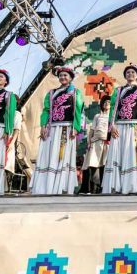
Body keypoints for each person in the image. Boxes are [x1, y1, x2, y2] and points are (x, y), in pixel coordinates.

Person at [30, 67, 84, 195]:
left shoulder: (75, 92)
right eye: (61, 75)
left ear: (70, 78)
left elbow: (79, 111)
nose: (63, 77)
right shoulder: (51, 93)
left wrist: (76, 128)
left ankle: (61, 187)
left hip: (66, 127)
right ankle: (46, 186)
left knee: (62, 156)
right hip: (52, 128)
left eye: (65, 75)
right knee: (49, 155)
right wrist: (43, 126)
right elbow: (46, 110)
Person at [102, 64, 137, 194]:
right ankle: (117, 186)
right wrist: (112, 125)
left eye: (133, 72)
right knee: (118, 154)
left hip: (134, 126)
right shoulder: (118, 90)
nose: (130, 74)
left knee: (132, 155)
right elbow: (113, 108)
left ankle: (133, 186)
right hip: (120, 126)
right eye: (128, 72)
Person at [80, 95, 110, 194]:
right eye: (105, 102)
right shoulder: (97, 116)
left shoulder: (112, 117)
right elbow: (91, 131)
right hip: (95, 143)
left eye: (109, 102)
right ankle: (88, 189)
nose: (106, 104)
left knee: (104, 166)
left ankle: (103, 188)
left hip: (106, 144)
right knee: (90, 164)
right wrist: (89, 142)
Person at [3, 95, 23, 190]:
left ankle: (3, 188)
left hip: (8, 140)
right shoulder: (3, 112)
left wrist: (11, 143)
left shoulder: (16, 114)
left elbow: (17, 129)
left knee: (5, 165)